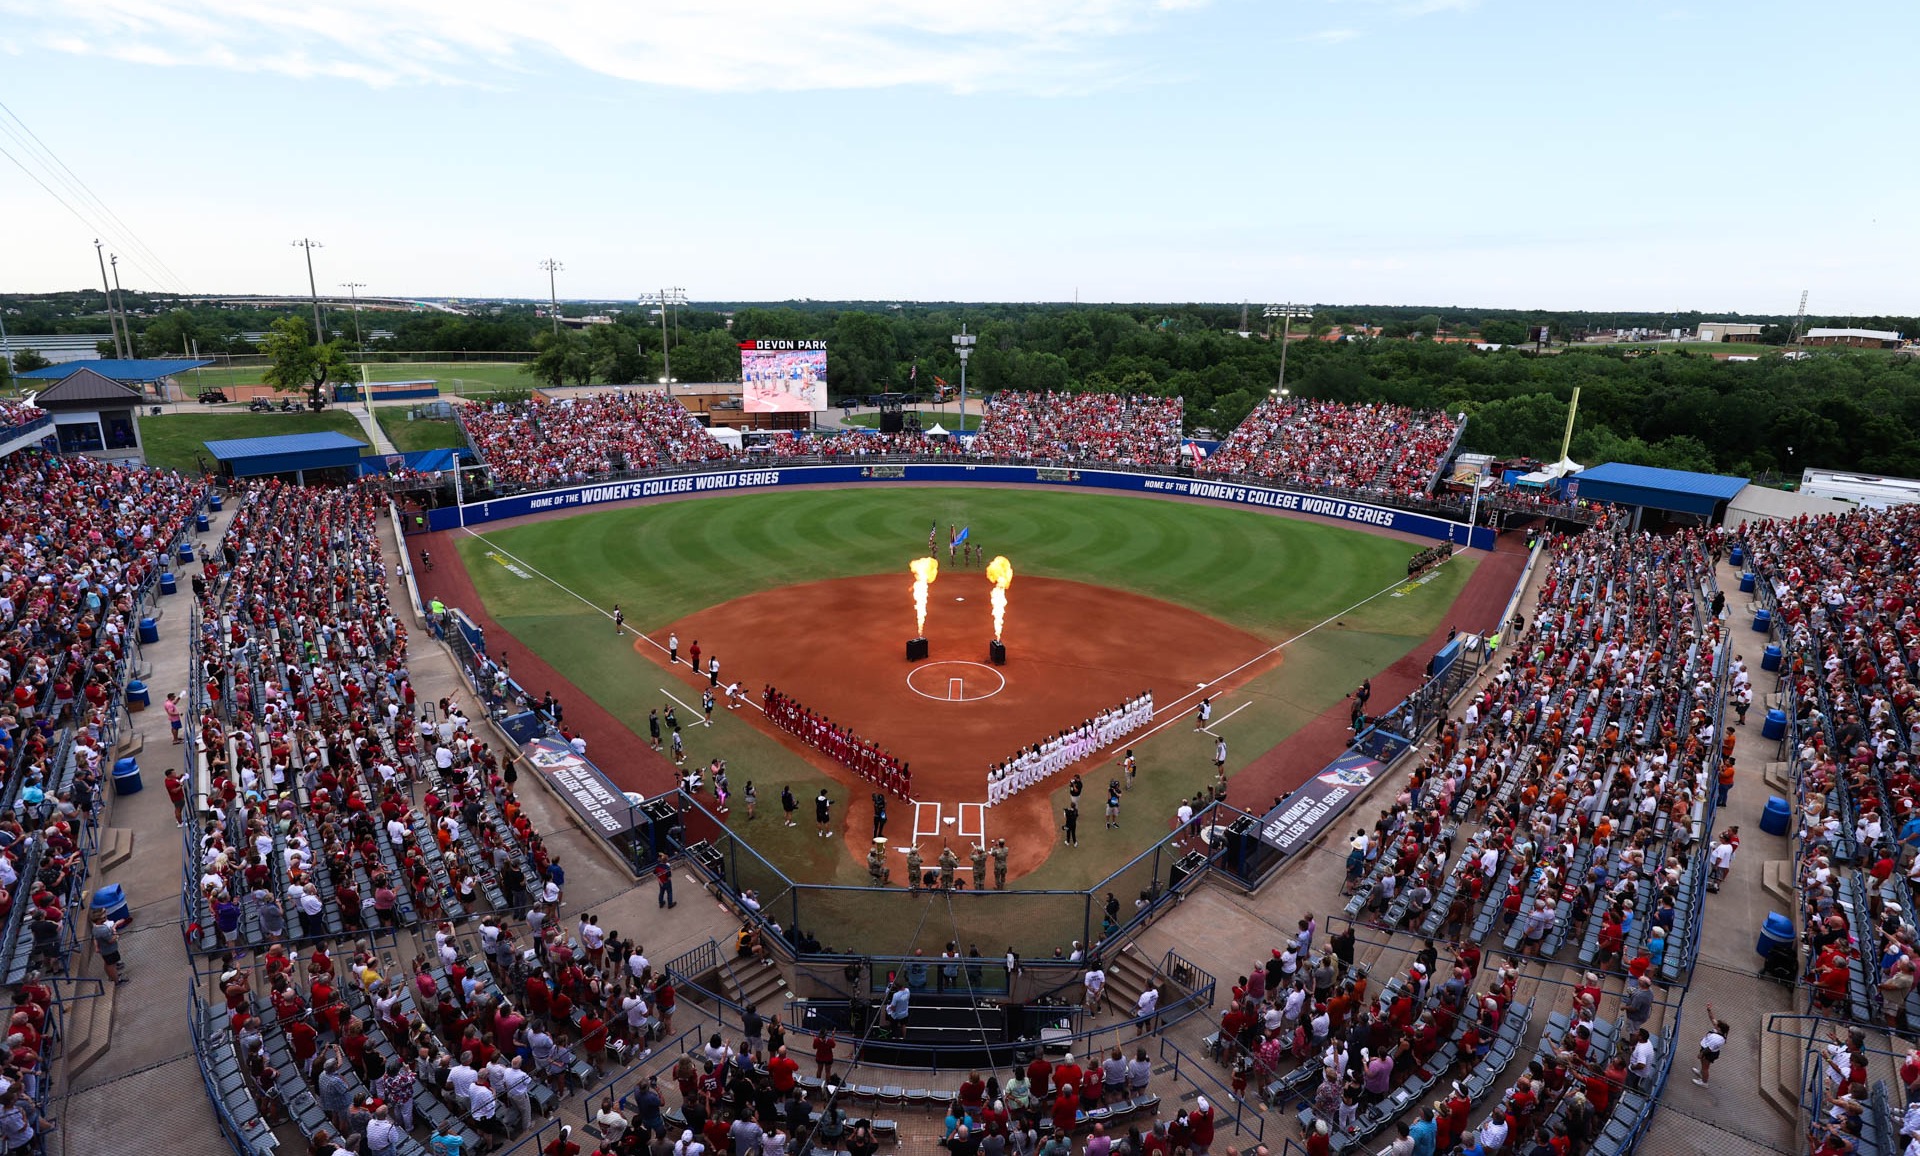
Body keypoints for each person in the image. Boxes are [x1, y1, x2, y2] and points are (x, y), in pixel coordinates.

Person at [90, 906, 129, 983]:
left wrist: (114, 925)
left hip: (105, 950)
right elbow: (111, 940)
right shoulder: (102, 929)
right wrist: (115, 930)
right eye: (103, 916)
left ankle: (112, 976)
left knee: (108, 964)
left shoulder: (96, 927)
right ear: (98, 919)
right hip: (109, 950)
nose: (105, 917)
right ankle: (117, 980)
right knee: (112, 966)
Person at [1693, 1005, 1727, 1086]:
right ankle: (1700, 1073)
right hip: (1706, 1050)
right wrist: (1709, 1010)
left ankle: (1704, 1082)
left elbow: (1709, 1048)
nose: (1714, 1024)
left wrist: (1701, 1054)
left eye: (1716, 1024)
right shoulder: (1718, 1030)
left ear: (1719, 1028)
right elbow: (1712, 1019)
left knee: (1705, 1068)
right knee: (1703, 1063)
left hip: (1708, 1053)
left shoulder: (1718, 1039)